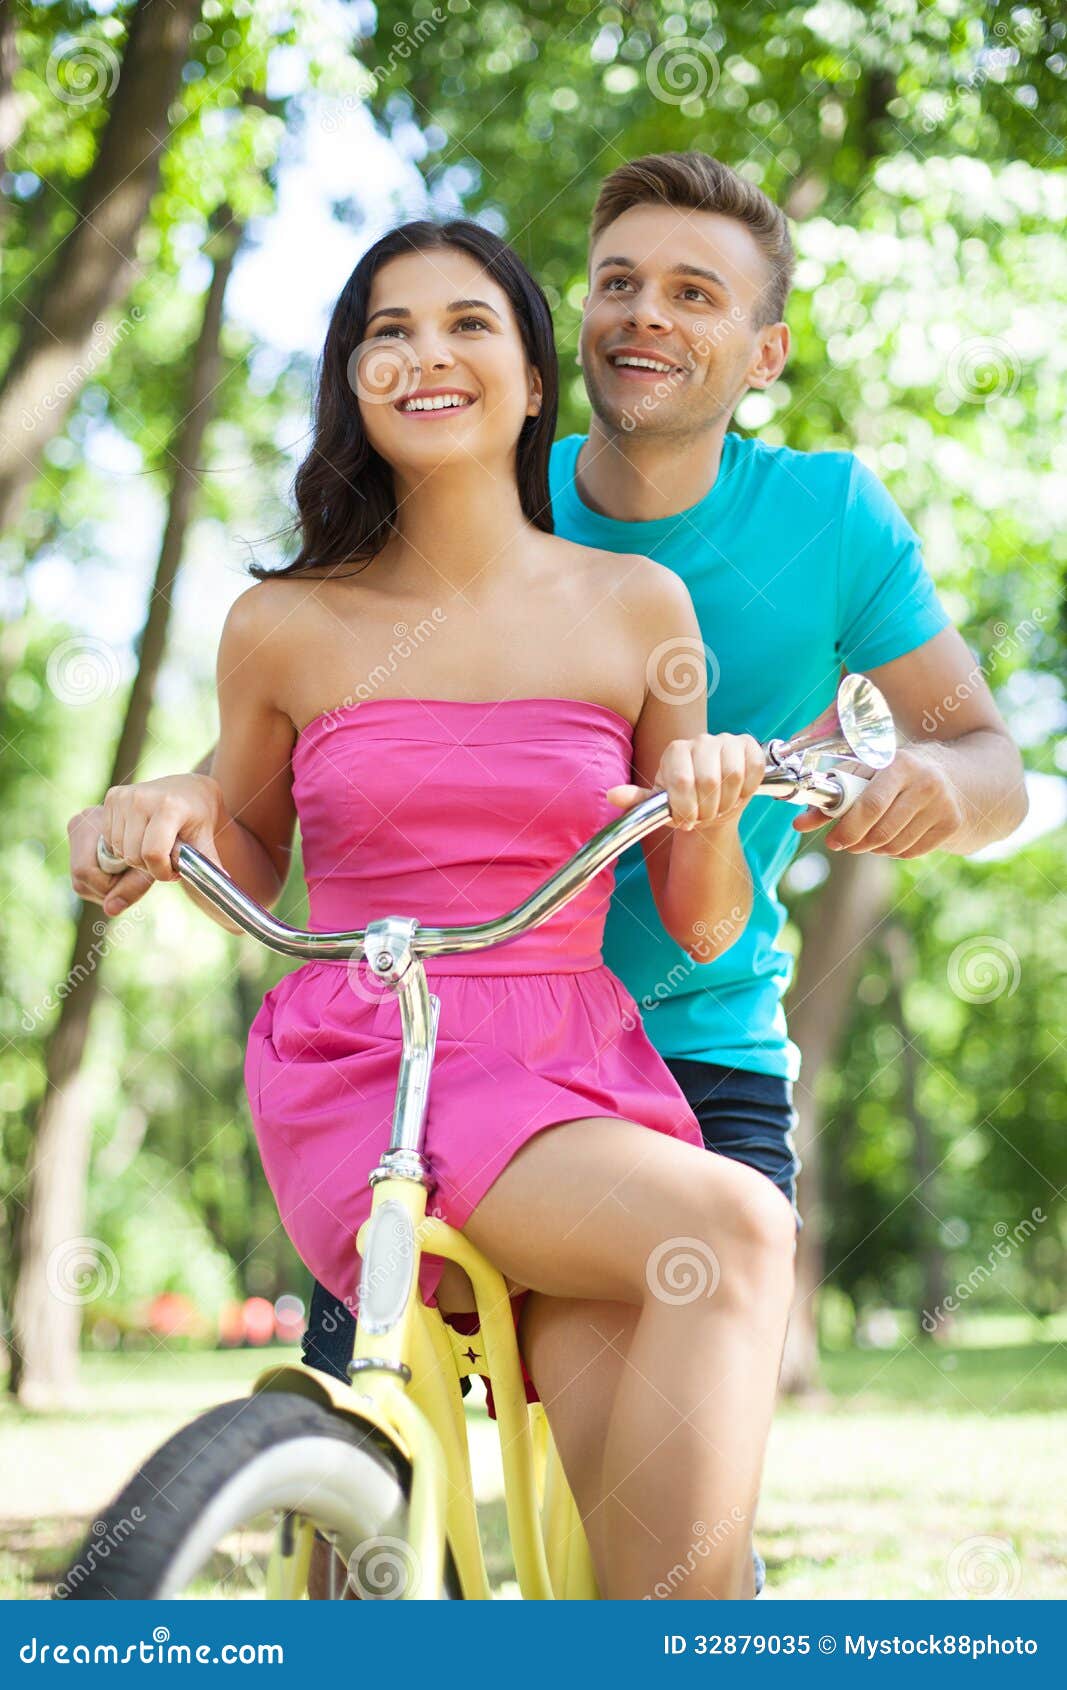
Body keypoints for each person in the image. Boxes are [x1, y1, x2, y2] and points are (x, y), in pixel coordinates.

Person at [69, 152, 1027, 1596]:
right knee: (382, 1488)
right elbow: (255, 824)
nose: (426, 353)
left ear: (529, 379)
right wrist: (173, 804)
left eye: (468, 326)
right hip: (387, 1051)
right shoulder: (285, 620)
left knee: (656, 1543)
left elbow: (759, 886)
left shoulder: (684, 589)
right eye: (387, 328)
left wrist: (766, 793)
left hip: (629, 1056)